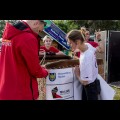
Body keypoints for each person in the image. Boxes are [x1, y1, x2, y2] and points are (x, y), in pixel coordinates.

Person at [0, 20, 49, 100]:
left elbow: (16, 61)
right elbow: (35, 70)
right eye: (39, 31)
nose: (38, 34)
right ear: (36, 23)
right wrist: (45, 72)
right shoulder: (28, 38)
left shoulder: (8, 35)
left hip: (5, 90)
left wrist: (40, 68)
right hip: (21, 92)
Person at [66, 29, 100, 100]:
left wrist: (77, 74)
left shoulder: (85, 58)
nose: (69, 45)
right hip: (94, 82)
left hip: (90, 88)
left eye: (70, 43)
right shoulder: (87, 45)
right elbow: (95, 50)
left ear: (77, 42)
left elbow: (85, 82)